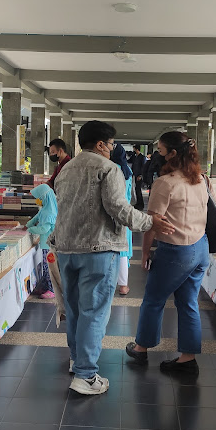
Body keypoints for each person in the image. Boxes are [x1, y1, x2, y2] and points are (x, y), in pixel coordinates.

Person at [50, 120, 174, 395]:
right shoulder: (108, 169)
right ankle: (86, 376)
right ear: (100, 144)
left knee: (75, 310)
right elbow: (119, 208)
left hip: (66, 249)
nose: (113, 148)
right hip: (98, 249)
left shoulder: (65, 169)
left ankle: (77, 360)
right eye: (112, 143)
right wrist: (149, 222)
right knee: (94, 312)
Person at [126, 131, 216, 375]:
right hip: (200, 247)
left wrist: (145, 253)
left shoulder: (166, 183)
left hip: (175, 251)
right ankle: (187, 358)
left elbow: (152, 223)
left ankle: (141, 348)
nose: (157, 154)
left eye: (160, 150)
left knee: (153, 300)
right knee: (189, 302)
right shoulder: (201, 179)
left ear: (173, 154)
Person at [26, 184, 57, 299]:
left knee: (49, 267)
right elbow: (36, 218)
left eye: (39, 198)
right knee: (45, 267)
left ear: (44, 198)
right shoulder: (45, 209)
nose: (37, 200)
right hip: (44, 244)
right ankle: (44, 286)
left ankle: (52, 290)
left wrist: (30, 229)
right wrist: (28, 224)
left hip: (49, 245)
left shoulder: (50, 213)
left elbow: (44, 229)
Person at [111, 143, 133, 296]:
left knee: (109, 249)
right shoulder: (128, 171)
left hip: (110, 212)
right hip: (125, 212)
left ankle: (109, 283)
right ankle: (123, 286)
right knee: (123, 250)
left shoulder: (110, 168)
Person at [130, 144, 146, 210]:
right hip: (135, 174)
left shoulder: (142, 157)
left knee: (138, 189)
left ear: (136, 149)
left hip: (139, 175)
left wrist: (140, 175)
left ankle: (141, 204)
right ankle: (138, 203)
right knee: (136, 189)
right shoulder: (135, 157)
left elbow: (143, 167)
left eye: (134, 149)